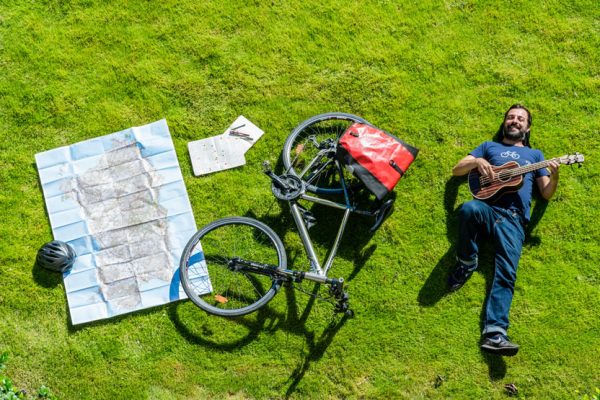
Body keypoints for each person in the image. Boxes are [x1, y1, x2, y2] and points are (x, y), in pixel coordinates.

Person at [449, 104, 560, 356]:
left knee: (506, 273)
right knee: (467, 209)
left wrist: (554, 177)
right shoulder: (489, 147)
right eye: (511, 117)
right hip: (486, 207)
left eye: (521, 119)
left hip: (514, 219)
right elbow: (457, 170)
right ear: (505, 122)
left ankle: (495, 333)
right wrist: (477, 161)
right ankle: (467, 261)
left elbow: (545, 193)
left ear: (527, 127)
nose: (515, 121)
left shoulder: (535, 155)